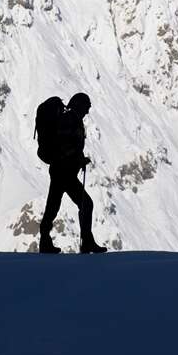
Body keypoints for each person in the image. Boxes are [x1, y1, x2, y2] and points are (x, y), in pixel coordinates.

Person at [39, 92, 107, 254]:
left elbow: (68, 145)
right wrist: (78, 159)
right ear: (79, 105)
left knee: (54, 206)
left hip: (62, 170)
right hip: (63, 171)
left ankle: (46, 242)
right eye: (87, 107)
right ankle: (86, 242)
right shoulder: (69, 120)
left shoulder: (71, 119)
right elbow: (63, 145)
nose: (87, 111)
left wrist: (78, 159)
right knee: (85, 204)